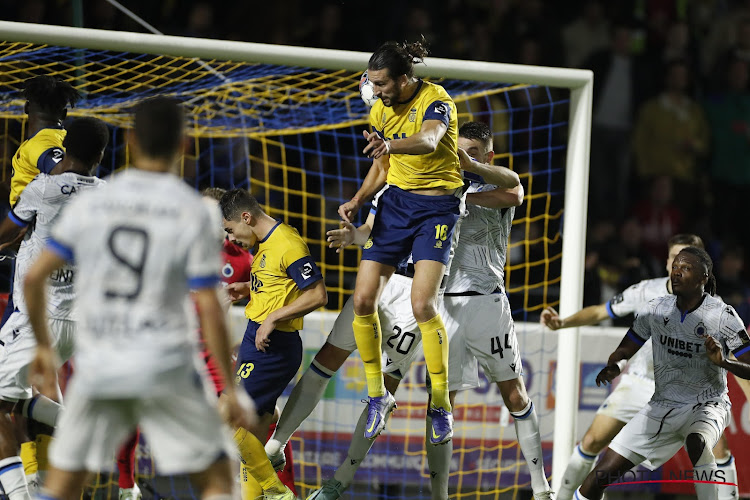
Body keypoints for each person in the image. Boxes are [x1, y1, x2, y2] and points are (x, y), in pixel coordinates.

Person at [268, 122, 537, 500]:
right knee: (328, 359)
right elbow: (372, 230)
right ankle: (277, 443)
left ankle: (340, 481)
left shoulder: (454, 192)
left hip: (418, 293)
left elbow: (514, 191)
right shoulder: (398, 184)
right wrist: (355, 235)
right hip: (380, 281)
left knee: (387, 389)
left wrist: (466, 180)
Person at [24, 97, 254, 500]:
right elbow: (208, 305)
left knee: (61, 488)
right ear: (183, 145)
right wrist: (230, 388)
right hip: (166, 362)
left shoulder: (95, 200)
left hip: (102, 363)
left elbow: (34, 277)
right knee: (217, 483)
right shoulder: (194, 212)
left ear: (130, 140)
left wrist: (44, 347)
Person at [541, 234, 740, 500]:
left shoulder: (715, 309)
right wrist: (563, 322)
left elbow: (739, 357)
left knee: (714, 449)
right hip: (641, 383)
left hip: (693, 395)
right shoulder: (646, 292)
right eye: (674, 258)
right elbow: (602, 311)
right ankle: (561, 498)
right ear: (667, 260)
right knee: (591, 443)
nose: (678, 266)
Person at [337, 37, 464, 445]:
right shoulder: (378, 107)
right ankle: (377, 396)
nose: (376, 91)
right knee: (361, 300)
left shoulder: (436, 100)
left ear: (405, 79)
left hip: (436, 210)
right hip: (394, 205)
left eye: (383, 84)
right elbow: (383, 163)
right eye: (372, 84)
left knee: (422, 304)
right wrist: (357, 200)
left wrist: (389, 144)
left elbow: (428, 141)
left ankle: (440, 403)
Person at [0, 117, 108, 500]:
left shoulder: (42, 188)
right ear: (101, 154)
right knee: (14, 398)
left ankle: (19, 495)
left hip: (40, 318)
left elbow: (9, 232)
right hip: (79, 321)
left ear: (67, 147)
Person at [220, 188, 327, 500]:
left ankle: (278, 493)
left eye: (230, 230)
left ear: (245, 217)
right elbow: (279, 287)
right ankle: (264, 494)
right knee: (249, 437)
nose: (231, 239)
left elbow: (317, 294)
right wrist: (248, 289)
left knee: (224, 418)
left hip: (273, 346)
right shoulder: (265, 244)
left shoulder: (287, 243)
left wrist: (272, 318)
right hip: (259, 341)